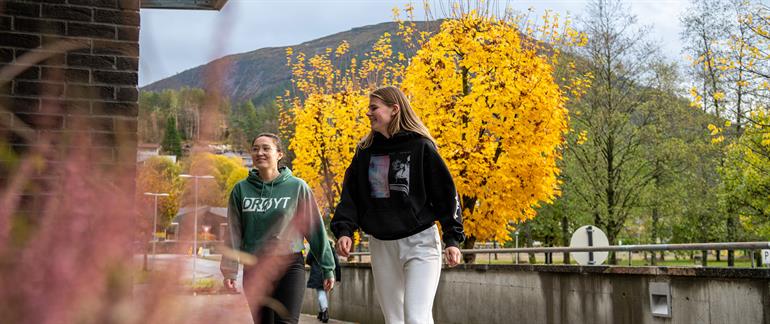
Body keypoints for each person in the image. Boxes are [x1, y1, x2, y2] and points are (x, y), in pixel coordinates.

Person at [330, 86, 465, 324]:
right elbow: (351, 195)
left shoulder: (421, 146)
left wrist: (452, 239)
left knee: (415, 317)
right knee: (394, 320)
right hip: (382, 245)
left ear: (394, 109)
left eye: (374, 108)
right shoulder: (365, 152)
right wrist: (344, 229)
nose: (368, 113)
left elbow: (445, 193)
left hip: (420, 243)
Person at [221, 133, 336, 324]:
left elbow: (315, 229)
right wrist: (229, 271)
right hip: (255, 266)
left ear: (280, 154)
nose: (260, 152)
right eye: (256, 148)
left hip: (289, 265)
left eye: (266, 148)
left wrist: (327, 267)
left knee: (287, 322)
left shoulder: (297, 187)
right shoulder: (241, 190)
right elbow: (233, 233)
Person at [306, 240, 341, 323]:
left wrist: (314, 265)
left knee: (320, 293)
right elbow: (337, 262)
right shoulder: (331, 249)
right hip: (328, 274)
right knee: (322, 293)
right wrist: (338, 277)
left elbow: (308, 260)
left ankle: (324, 312)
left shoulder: (314, 248)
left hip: (317, 274)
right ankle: (321, 313)